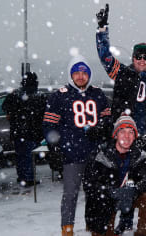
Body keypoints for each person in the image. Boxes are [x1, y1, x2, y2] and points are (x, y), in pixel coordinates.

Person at [96, 4, 146, 234]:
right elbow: (105, 56)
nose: (142, 60)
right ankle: (124, 219)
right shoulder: (122, 73)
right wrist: (101, 30)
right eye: (139, 56)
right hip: (123, 138)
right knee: (121, 178)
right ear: (133, 57)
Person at [43, 55, 109, 236]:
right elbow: (49, 126)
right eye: (76, 72)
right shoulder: (59, 96)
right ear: (70, 74)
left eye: (84, 72)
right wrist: (55, 147)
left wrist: (101, 128)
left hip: (95, 154)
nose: (80, 76)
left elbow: (108, 119)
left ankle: (92, 224)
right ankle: (67, 228)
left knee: (94, 193)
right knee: (70, 194)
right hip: (72, 153)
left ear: (89, 74)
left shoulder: (98, 94)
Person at [83, 115, 146, 236]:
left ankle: (142, 233)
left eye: (131, 132)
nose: (127, 136)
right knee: (98, 205)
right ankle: (100, 229)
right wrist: (110, 192)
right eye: (122, 131)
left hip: (130, 195)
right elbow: (89, 184)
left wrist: (134, 190)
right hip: (106, 198)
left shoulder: (141, 155)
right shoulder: (100, 154)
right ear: (115, 135)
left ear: (135, 136)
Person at [2, 71, 47, 187]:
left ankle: (22, 177)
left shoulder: (15, 94)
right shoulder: (38, 96)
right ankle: (28, 179)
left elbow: (5, 107)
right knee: (28, 156)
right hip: (30, 131)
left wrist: (12, 114)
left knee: (20, 155)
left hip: (17, 131)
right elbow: (43, 113)